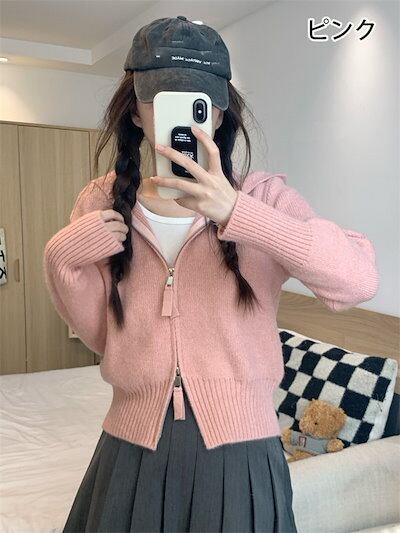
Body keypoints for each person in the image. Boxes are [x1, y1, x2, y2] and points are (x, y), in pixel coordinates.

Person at [43, 15, 379, 533]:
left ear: (219, 113)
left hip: (242, 451)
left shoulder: (263, 198)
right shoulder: (102, 201)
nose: (184, 121)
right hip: (130, 446)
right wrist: (61, 259)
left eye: (198, 104)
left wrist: (237, 212)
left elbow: (357, 280)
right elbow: (105, 337)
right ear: (136, 111)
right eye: (165, 102)